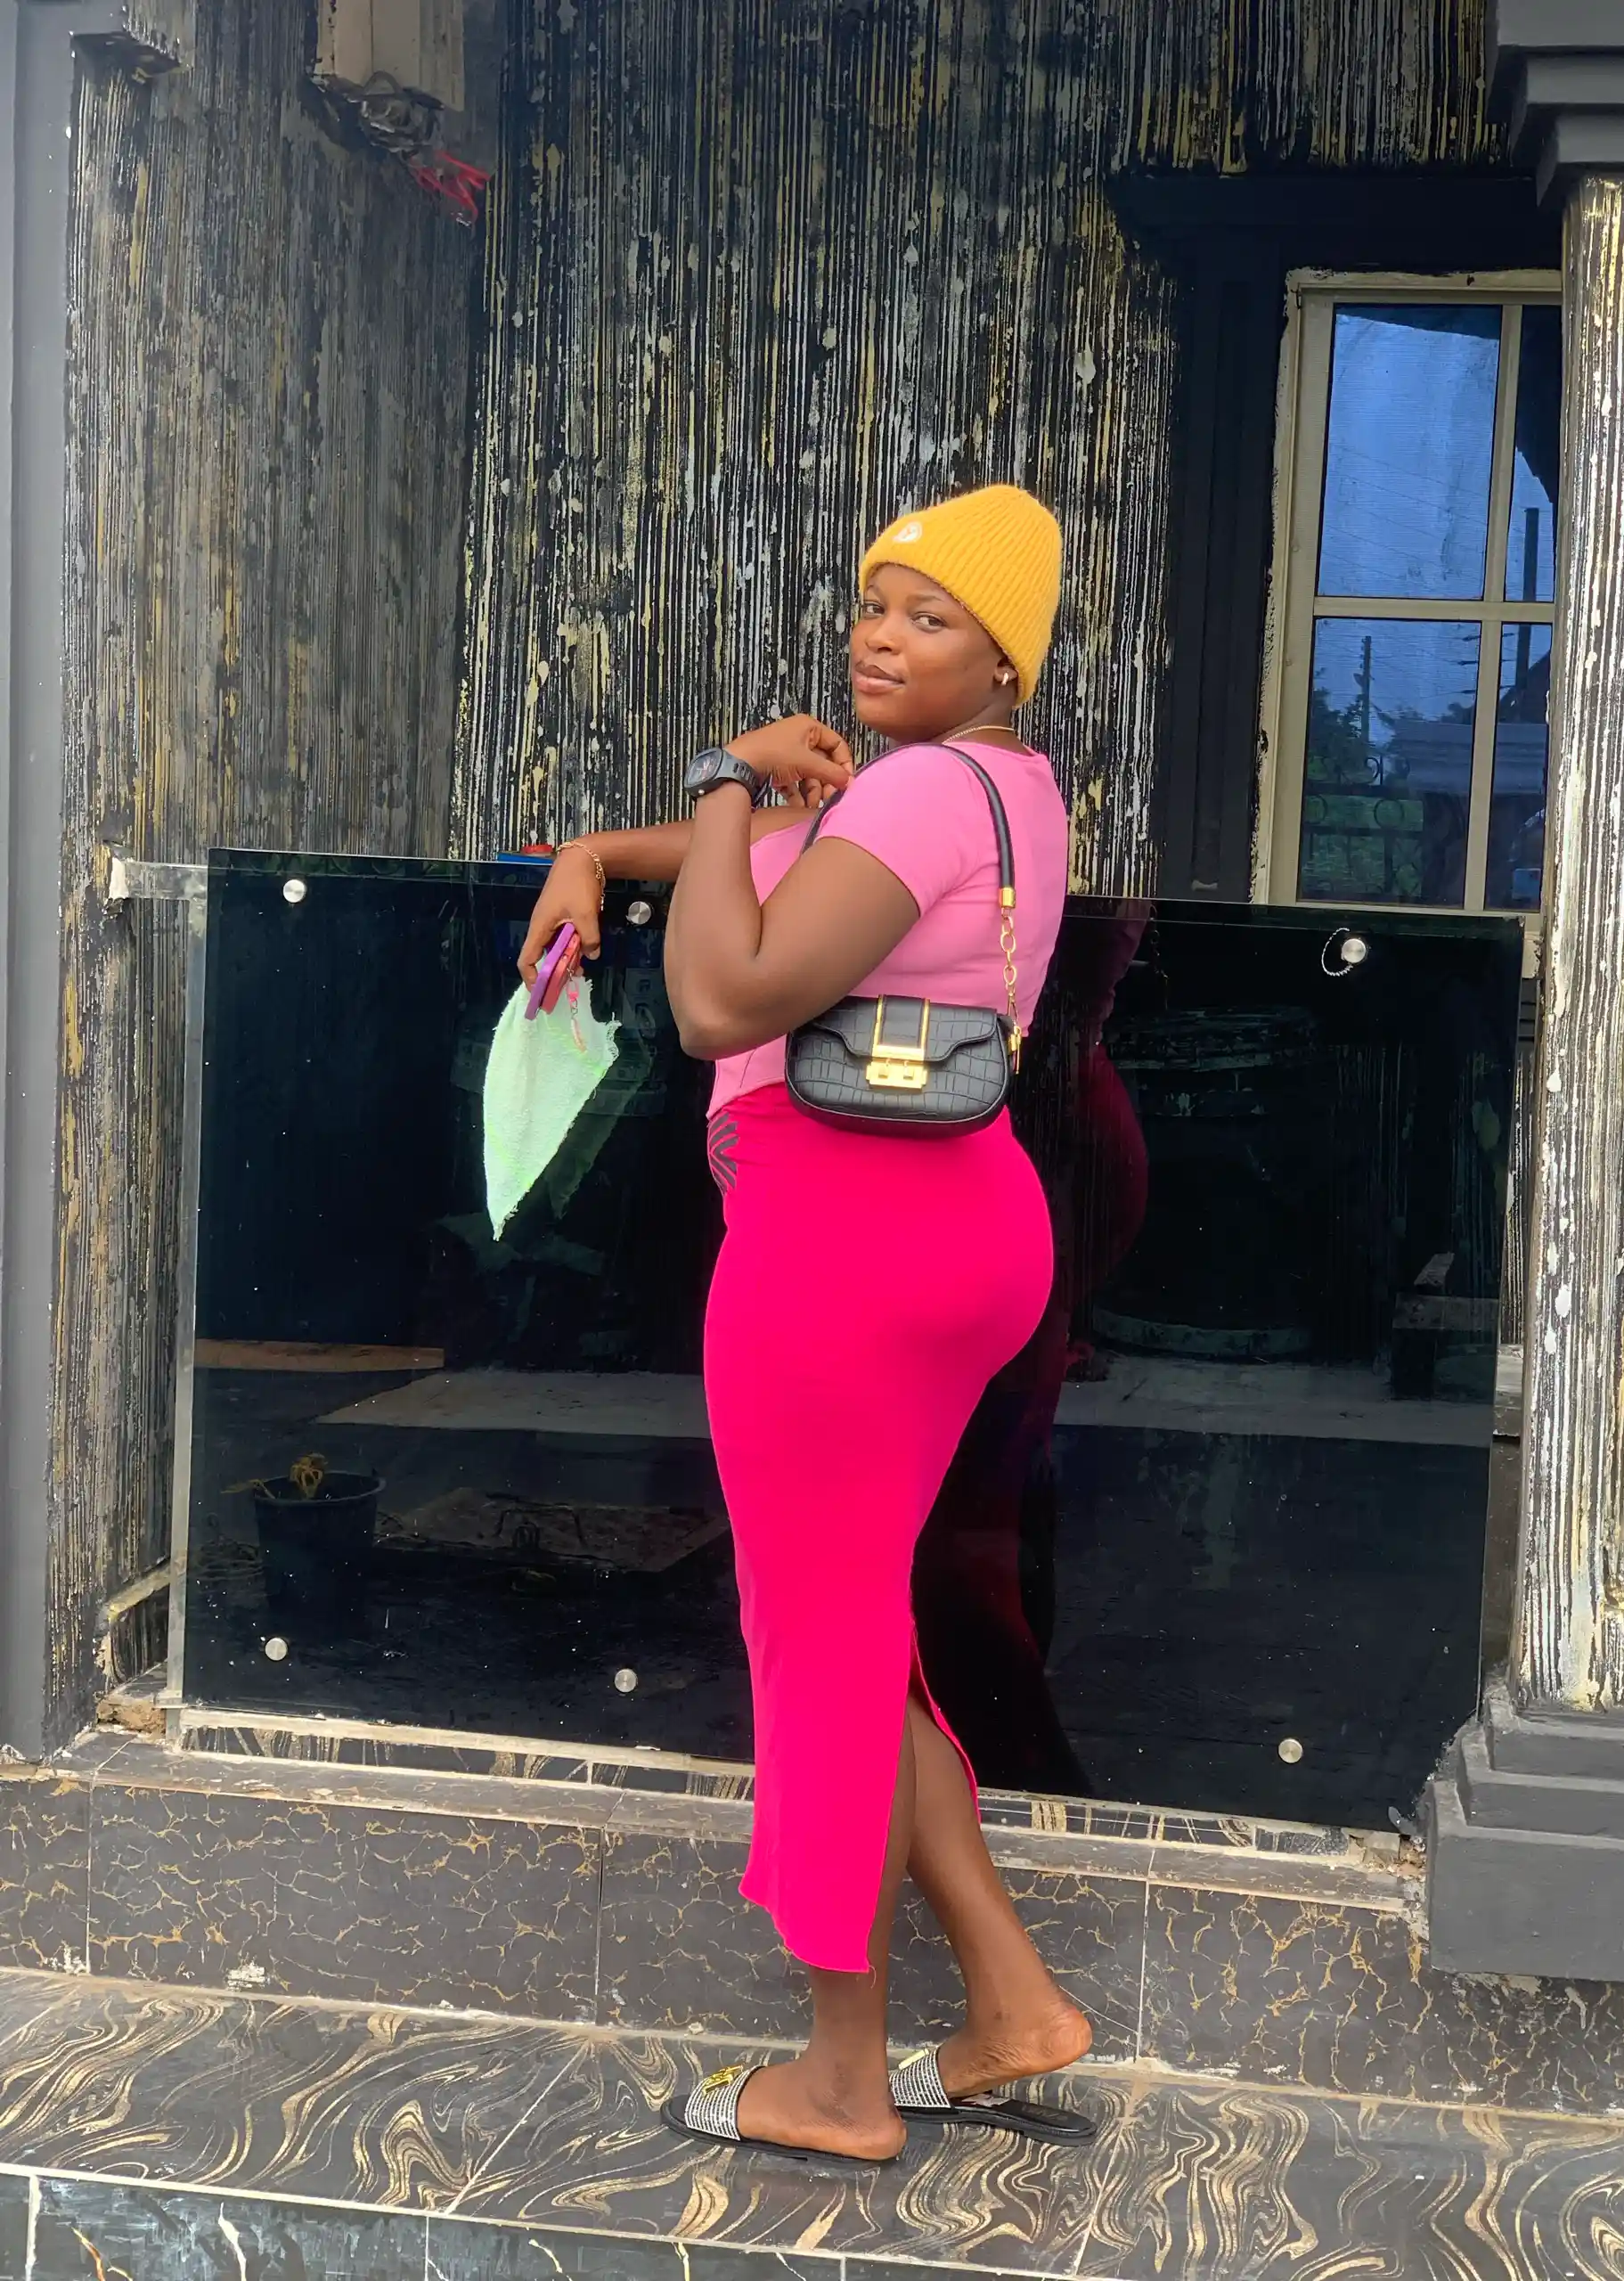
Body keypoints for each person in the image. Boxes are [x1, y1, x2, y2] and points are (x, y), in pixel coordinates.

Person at [518, 484, 1090, 2166]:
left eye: (930, 616)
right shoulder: (1005, 791)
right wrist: (606, 851)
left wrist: (720, 775)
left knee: (819, 1653)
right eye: (873, 604)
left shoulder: (915, 787)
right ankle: (1009, 2003)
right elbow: (757, 876)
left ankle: (841, 2081)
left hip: (843, 1247)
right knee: (859, 1627)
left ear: (1006, 655)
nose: (879, 637)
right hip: (958, 1225)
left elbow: (723, 995)